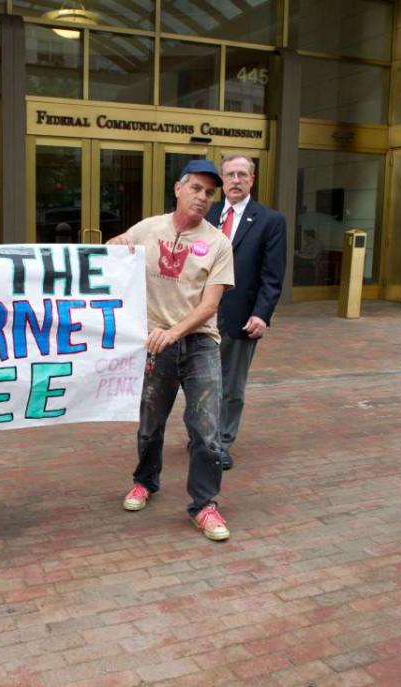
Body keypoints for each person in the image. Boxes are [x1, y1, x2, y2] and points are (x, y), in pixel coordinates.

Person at [108, 160, 235, 541]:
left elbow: (210, 304)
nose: (202, 197)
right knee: (150, 421)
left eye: (209, 193)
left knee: (206, 428)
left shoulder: (218, 242)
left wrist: (175, 331)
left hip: (198, 344)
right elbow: (113, 255)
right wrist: (116, 244)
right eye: (196, 188)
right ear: (178, 188)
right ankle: (145, 481)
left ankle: (204, 504)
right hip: (153, 341)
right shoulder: (149, 228)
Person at [205, 154, 287, 470]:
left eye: (242, 174)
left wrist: (262, 314)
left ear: (252, 179)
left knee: (231, 385)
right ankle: (203, 435)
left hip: (240, 316)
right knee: (200, 381)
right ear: (222, 180)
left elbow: (272, 274)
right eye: (229, 175)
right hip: (201, 314)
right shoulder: (207, 214)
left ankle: (222, 443)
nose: (235, 180)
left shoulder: (269, 220)